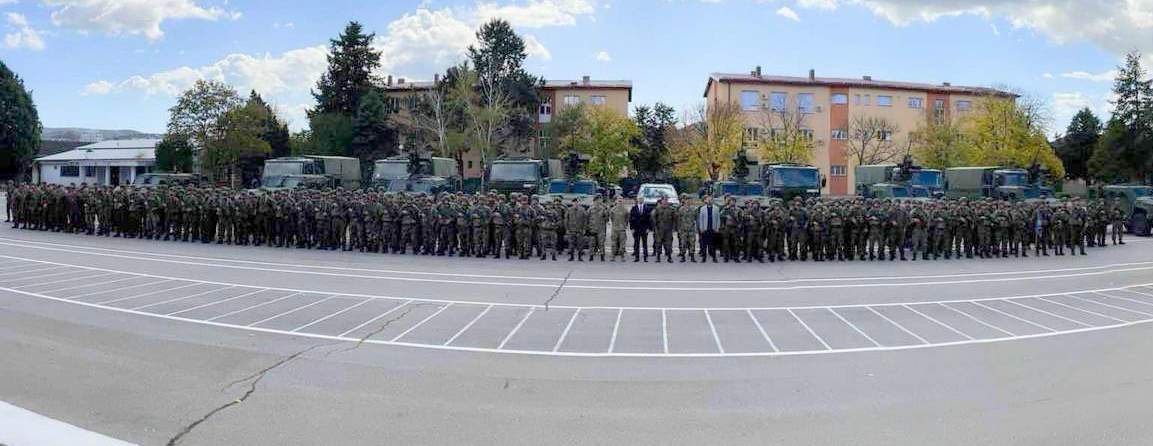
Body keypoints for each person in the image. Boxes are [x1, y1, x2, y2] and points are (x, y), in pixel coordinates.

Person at [696, 195, 721, 263]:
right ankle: (704, 258)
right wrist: (701, 228)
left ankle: (714, 258)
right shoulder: (702, 208)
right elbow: (701, 219)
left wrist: (717, 228)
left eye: (711, 199)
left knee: (713, 244)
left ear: (713, 200)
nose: (709, 200)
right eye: (708, 199)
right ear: (706, 200)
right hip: (705, 229)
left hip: (713, 229)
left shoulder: (716, 208)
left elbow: (718, 219)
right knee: (704, 245)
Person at [628, 197, 652, 262]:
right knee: (636, 243)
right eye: (639, 199)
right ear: (637, 200)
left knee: (645, 243)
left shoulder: (647, 208)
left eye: (642, 199)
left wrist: (649, 228)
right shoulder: (634, 208)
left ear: (643, 200)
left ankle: (645, 257)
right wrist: (632, 228)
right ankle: (636, 257)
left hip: (644, 228)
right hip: (636, 228)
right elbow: (631, 219)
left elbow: (650, 219)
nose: (640, 200)